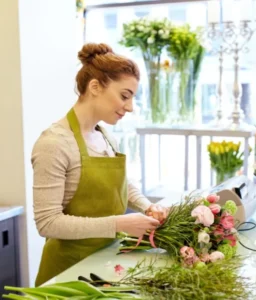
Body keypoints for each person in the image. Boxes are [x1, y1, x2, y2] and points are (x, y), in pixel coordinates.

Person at [32, 43, 169, 287]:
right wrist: (119, 224)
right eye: (124, 96)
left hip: (104, 262)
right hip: (68, 273)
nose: (129, 107)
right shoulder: (54, 143)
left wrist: (148, 206)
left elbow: (120, 184)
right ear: (94, 87)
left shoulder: (105, 136)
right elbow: (47, 223)